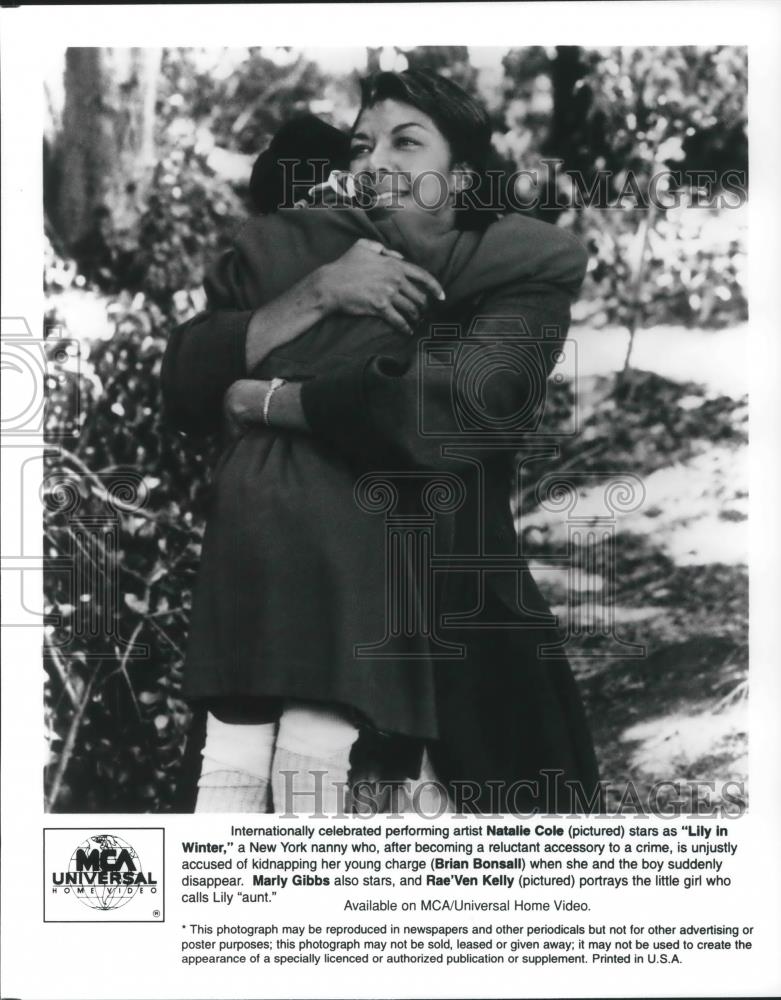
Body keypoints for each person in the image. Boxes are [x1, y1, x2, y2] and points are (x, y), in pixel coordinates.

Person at [162, 70, 600, 816]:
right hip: (300, 607)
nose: (376, 160)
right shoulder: (310, 255)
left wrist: (272, 399)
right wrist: (322, 292)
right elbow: (185, 378)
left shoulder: (520, 271)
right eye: (362, 146)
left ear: (460, 175)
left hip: (450, 614)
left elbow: (454, 404)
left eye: (407, 141)